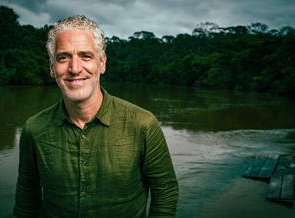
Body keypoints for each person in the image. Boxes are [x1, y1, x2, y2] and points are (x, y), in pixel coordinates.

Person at [14, 15, 179, 218]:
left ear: (102, 64)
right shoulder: (34, 129)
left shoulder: (143, 124)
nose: (74, 69)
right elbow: (26, 201)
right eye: (63, 57)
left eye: (86, 56)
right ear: (51, 68)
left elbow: (166, 192)